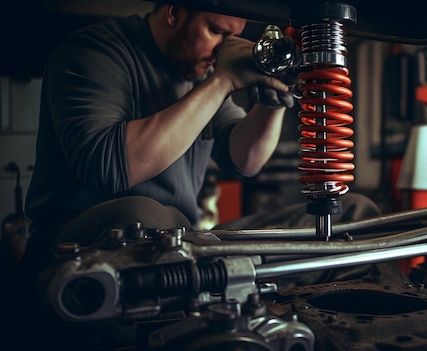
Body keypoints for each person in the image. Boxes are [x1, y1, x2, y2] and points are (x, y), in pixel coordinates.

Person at [6, 3, 381, 349]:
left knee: (355, 214)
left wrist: (270, 105)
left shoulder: (197, 66)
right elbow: (113, 167)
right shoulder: (95, 51)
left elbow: (243, 160)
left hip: (187, 249)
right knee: (147, 215)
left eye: (232, 36)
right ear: (174, 13)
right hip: (83, 253)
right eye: (216, 31)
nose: (224, 47)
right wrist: (222, 82)